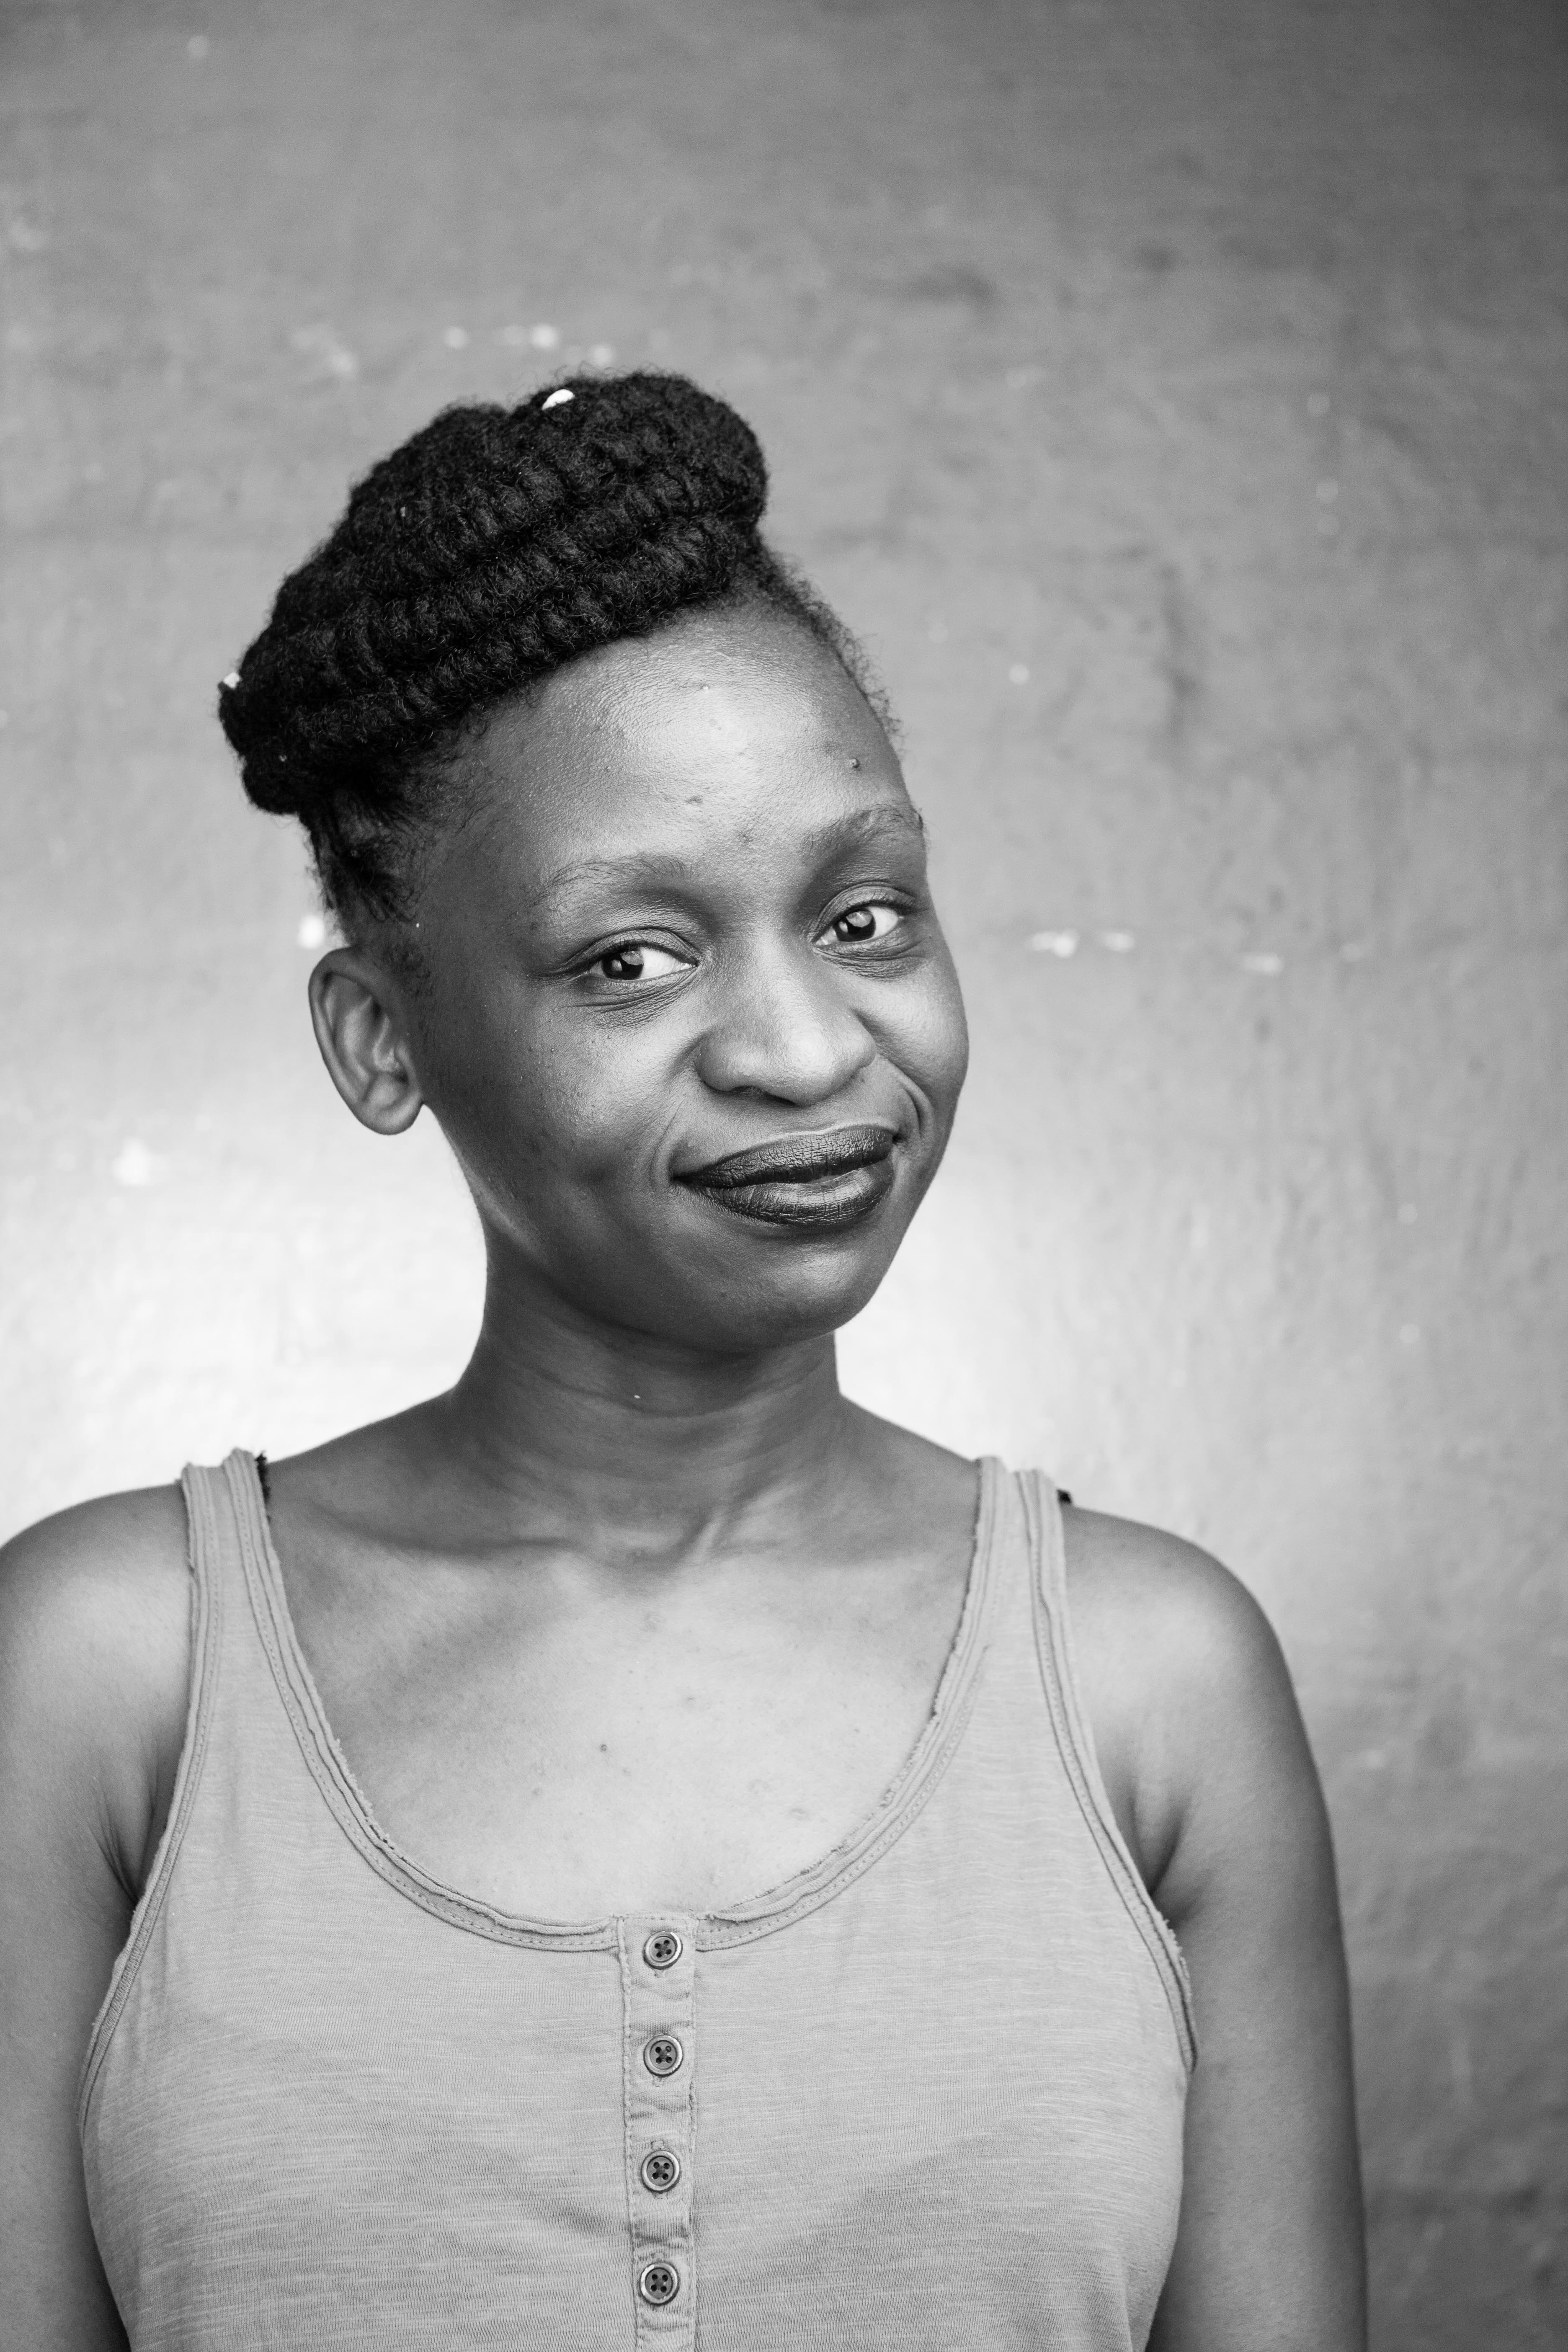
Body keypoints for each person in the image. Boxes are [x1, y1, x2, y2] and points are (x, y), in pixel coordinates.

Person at [0, 372, 1365, 2351]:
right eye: (634, 958)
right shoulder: (111, 1673)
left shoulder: (1152, 1684)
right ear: (382, 1037)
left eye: (866, 914)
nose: (809, 1052)